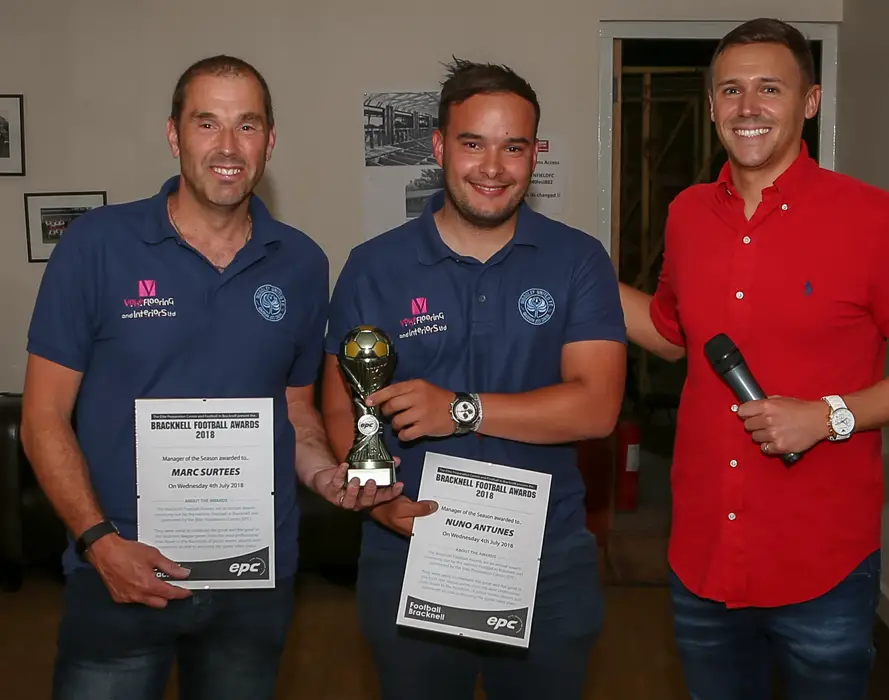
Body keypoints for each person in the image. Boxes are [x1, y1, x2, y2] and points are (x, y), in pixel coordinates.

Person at [20, 54, 398, 700]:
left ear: (270, 141)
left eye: (247, 126)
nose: (228, 147)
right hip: (120, 573)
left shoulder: (302, 263)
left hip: (252, 581)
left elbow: (295, 408)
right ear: (174, 134)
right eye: (207, 124)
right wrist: (99, 542)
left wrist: (324, 470)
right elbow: (42, 416)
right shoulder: (97, 247)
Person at [619, 17, 889, 700]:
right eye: (730, 90)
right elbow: (670, 332)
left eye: (769, 88)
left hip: (822, 565)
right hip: (701, 560)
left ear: (808, 101)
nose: (747, 108)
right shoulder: (687, 213)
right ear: (714, 102)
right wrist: (570, 274)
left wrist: (829, 416)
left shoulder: (876, 221)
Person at [322, 58, 627, 700]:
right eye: (473, 144)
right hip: (410, 547)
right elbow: (341, 410)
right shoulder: (375, 267)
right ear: (439, 148)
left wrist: (459, 409)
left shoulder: (577, 260)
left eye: (513, 147)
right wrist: (382, 506)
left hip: (548, 557)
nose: (492, 167)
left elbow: (597, 407)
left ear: (533, 154)